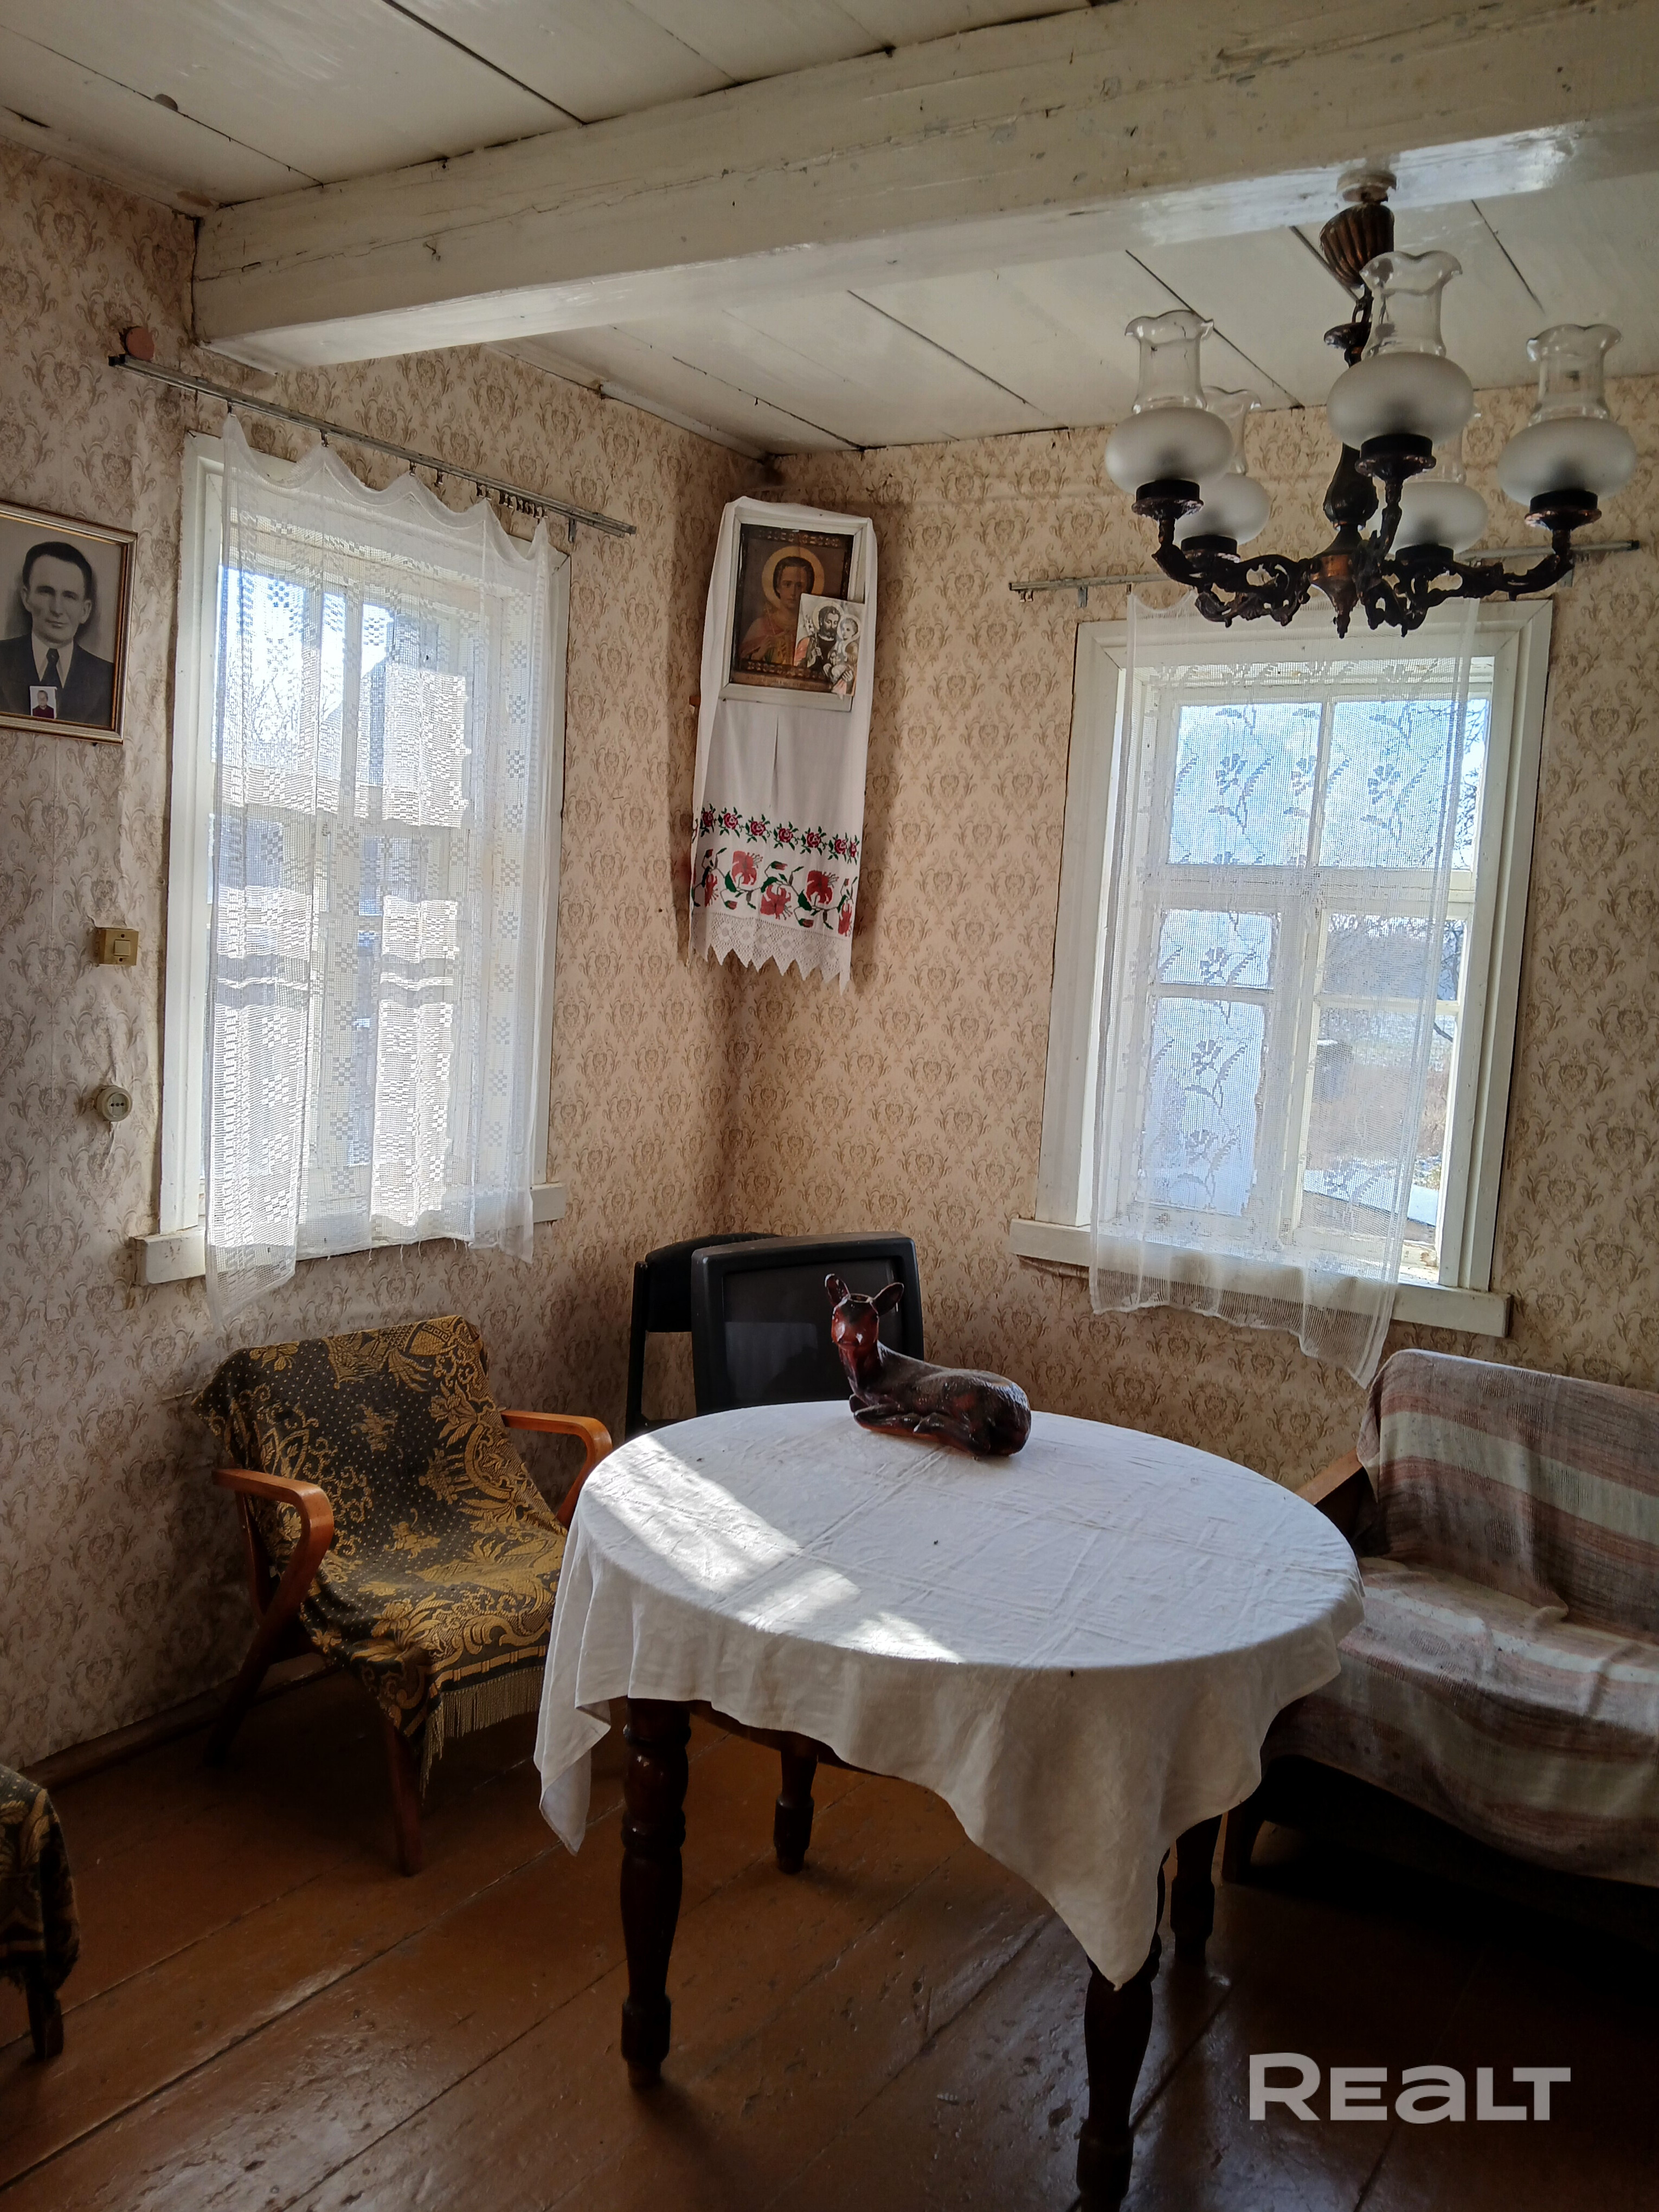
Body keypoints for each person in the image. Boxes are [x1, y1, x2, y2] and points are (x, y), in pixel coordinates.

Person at [0, 541, 115, 725]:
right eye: (46, 592)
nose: (57, 609)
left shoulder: (109, 678)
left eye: (69, 596)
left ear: (85, 610)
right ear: (26, 598)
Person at [737, 553, 814, 667]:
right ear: (778, 587)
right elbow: (741, 666)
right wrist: (759, 654)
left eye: (799, 586)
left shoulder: (812, 629)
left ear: (807, 589)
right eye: (787, 585)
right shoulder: (760, 626)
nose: (793, 592)